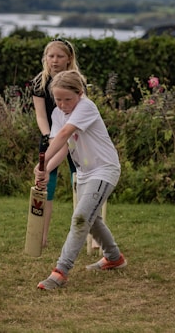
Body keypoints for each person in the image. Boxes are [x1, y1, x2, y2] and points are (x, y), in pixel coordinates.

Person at [34, 70, 127, 290]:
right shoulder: (57, 113)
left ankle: (60, 272)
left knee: (80, 218)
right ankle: (114, 258)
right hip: (84, 173)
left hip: (104, 169)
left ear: (80, 93)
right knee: (91, 219)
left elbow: (66, 133)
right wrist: (46, 169)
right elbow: (63, 145)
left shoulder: (86, 107)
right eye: (58, 99)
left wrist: (42, 162)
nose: (63, 104)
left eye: (68, 99)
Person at [31, 38, 84, 247]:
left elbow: (77, 116)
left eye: (59, 56)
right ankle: (41, 237)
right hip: (50, 138)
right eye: (50, 56)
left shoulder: (76, 81)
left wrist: (63, 137)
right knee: (46, 186)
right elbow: (41, 116)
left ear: (68, 58)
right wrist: (49, 136)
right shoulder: (39, 82)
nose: (54, 60)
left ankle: (86, 234)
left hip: (74, 137)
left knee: (80, 182)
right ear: (45, 58)